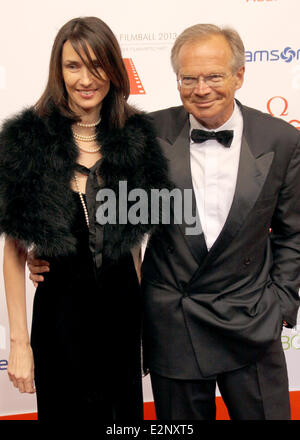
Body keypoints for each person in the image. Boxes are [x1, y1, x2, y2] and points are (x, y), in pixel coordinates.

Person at [28, 24, 300, 420]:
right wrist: (51, 251)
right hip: (175, 328)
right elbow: (103, 201)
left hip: (252, 326)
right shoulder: (145, 133)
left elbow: (293, 232)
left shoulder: (281, 139)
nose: (200, 88)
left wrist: (279, 304)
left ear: (239, 75)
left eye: (213, 76)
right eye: (188, 78)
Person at [0, 16, 169, 421]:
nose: (86, 78)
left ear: (113, 69)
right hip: (61, 319)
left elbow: (134, 249)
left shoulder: (137, 137)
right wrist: (19, 344)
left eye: (97, 66)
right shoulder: (29, 140)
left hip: (122, 319)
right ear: (58, 71)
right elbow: (13, 250)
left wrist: (145, 329)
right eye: (73, 66)